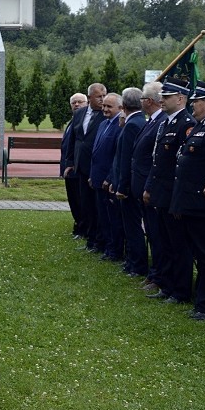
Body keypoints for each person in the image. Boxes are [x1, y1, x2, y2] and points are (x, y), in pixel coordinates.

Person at [144, 77, 195, 304]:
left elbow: (181, 167)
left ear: (181, 98)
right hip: (162, 194)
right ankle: (167, 284)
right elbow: (157, 161)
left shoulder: (186, 123)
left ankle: (180, 290)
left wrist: (176, 200)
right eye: (162, 96)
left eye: (167, 97)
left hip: (173, 195)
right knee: (164, 242)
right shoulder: (166, 122)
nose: (162, 100)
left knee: (178, 246)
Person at [170, 80, 205, 320]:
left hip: (203, 205)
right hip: (190, 204)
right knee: (199, 254)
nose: (192, 105)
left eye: (196, 101)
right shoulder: (200, 126)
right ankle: (201, 299)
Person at [131, 82, 165, 291]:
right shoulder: (152, 121)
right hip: (144, 186)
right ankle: (155, 274)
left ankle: (158, 276)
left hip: (151, 188)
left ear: (149, 101)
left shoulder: (160, 121)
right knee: (152, 233)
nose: (141, 102)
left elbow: (156, 160)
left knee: (157, 235)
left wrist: (148, 187)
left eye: (143, 98)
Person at [65, 83, 107, 252]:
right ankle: (90, 239)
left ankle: (100, 241)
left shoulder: (105, 116)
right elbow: (73, 140)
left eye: (104, 96)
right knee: (86, 205)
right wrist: (69, 162)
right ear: (89, 98)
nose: (103, 100)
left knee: (98, 207)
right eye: (99, 96)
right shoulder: (80, 113)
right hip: (81, 167)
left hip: (96, 167)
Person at [112, 87, 146, 276]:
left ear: (123, 106)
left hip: (129, 185)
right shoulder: (137, 122)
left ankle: (137, 264)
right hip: (133, 183)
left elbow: (126, 159)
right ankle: (132, 261)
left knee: (132, 227)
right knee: (131, 226)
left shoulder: (132, 125)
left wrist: (122, 186)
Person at [89, 92, 123, 261]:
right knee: (102, 216)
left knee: (112, 218)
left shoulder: (119, 125)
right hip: (97, 178)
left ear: (120, 108)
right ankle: (106, 247)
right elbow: (96, 152)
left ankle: (114, 250)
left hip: (108, 181)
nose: (105, 109)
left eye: (109, 106)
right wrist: (92, 175)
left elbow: (116, 156)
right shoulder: (103, 124)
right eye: (103, 106)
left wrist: (109, 178)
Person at [61, 93, 88, 238]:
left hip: (78, 168)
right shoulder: (72, 121)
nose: (76, 105)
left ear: (86, 103)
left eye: (80, 102)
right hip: (69, 167)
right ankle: (78, 224)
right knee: (73, 199)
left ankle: (82, 227)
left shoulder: (85, 121)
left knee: (80, 200)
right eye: (74, 102)